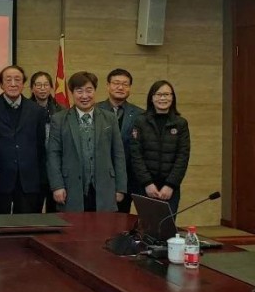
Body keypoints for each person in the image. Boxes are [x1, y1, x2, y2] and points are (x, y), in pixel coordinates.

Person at [47, 71, 126, 213]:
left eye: (89, 90)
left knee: (104, 230)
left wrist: (120, 187)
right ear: (72, 93)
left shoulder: (109, 118)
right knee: (74, 231)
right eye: (79, 91)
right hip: (70, 188)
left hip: (104, 187)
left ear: (95, 91)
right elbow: (53, 155)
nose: (84, 96)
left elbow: (118, 154)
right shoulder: (59, 119)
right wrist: (57, 186)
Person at [0, 65, 47, 214]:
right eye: (8, 80)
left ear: (23, 84)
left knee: (27, 227)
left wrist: (42, 180)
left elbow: (41, 147)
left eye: (17, 80)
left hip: (28, 181)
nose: (13, 84)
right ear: (1, 84)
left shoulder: (36, 111)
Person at [130, 80, 190, 215]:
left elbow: (183, 156)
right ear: (152, 98)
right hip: (145, 187)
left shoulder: (180, 124)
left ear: (172, 98)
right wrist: (147, 183)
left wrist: (170, 185)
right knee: (147, 227)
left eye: (167, 94)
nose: (163, 98)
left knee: (166, 227)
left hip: (170, 189)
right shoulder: (140, 121)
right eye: (159, 94)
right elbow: (136, 154)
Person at [97, 68, 144, 213]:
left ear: (130, 88)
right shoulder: (95, 110)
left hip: (129, 179)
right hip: (100, 177)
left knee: (122, 222)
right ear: (108, 86)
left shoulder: (140, 115)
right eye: (116, 83)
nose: (120, 87)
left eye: (125, 84)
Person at [30, 71, 64, 212]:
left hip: (55, 165)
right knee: (33, 209)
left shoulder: (61, 110)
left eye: (46, 85)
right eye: (38, 85)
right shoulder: (26, 109)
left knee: (54, 210)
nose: (42, 88)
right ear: (32, 88)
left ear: (51, 88)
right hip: (34, 166)